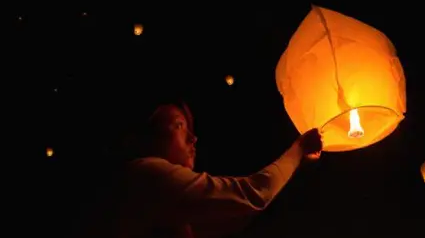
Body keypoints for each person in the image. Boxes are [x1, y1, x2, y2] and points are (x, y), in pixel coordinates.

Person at [79, 101, 323, 238]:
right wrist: (299, 148)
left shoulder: (164, 202)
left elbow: (235, 215)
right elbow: (252, 196)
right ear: (146, 139)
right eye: (179, 126)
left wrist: (296, 163)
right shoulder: (145, 174)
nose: (193, 139)